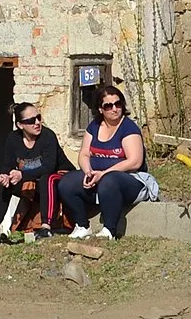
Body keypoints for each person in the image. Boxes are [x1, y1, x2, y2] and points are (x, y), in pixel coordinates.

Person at [54, 84, 158, 240]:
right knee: (66, 182)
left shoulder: (128, 128)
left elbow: (134, 162)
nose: (114, 109)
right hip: (98, 178)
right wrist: (88, 172)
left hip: (129, 181)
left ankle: (109, 230)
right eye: (108, 106)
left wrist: (103, 174)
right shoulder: (94, 126)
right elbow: (84, 154)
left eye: (118, 104)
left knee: (109, 180)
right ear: (100, 109)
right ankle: (82, 225)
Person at [0, 101, 67, 246]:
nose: (37, 123)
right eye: (30, 121)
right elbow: (8, 165)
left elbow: (49, 167)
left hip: (59, 178)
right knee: (3, 182)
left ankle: (45, 228)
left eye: (38, 117)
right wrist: (5, 176)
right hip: (34, 183)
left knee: (46, 178)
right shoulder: (13, 139)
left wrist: (22, 174)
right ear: (20, 125)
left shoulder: (47, 136)